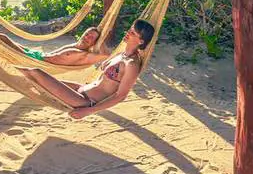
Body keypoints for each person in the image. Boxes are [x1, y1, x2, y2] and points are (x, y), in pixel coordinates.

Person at [18, 19, 155, 119]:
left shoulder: (132, 64)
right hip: (81, 88)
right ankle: (9, 68)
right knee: (33, 82)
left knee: (35, 72)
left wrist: (88, 111)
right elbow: (103, 55)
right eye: (129, 30)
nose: (128, 33)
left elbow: (120, 96)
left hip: (85, 101)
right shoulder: (121, 54)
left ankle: (7, 68)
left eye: (133, 33)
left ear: (141, 41)